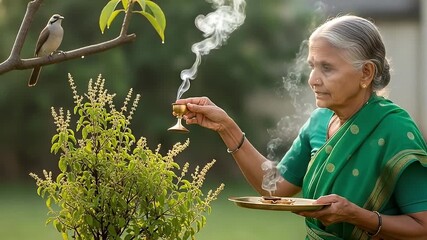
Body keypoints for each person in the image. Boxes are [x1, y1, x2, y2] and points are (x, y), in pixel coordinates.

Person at [175, 15, 427, 239]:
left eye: (326, 68)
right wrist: (226, 127)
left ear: (366, 73)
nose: (313, 80)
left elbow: (423, 227)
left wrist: (357, 216)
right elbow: (273, 187)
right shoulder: (319, 121)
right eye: (312, 66)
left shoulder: (395, 130)